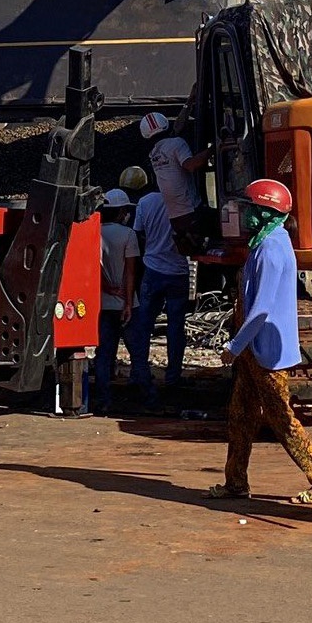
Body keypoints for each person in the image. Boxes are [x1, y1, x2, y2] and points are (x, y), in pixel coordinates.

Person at [210, 179, 312, 505]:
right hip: (255, 350)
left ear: (266, 212)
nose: (245, 214)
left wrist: (233, 347)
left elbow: (262, 309)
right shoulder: (264, 242)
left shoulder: (271, 249)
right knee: (239, 416)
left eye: (251, 208)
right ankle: (236, 482)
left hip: (265, 351)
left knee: (281, 417)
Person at [125, 181, 190, 410]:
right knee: (175, 327)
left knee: (143, 325)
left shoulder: (145, 202)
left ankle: (139, 372)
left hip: (152, 269)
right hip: (178, 272)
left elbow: (138, 235)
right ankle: (173, 376)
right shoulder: (183, 200)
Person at [87, 188, 138, 415]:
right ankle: (147, 399)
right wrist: (127, 302)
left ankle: (103, 400)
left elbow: (91, 270)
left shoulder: (92, 233)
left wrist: (106, 288)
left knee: (103, 354)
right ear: (122, 212)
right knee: (138, 353)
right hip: (124, 304)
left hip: (102, 304)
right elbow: (130, 272)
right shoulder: (128, 235)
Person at [140, 112, 208, 250]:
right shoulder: (177, 143)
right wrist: (214, 149)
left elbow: (176, 129)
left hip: (176, 220)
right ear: (165, 124)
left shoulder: (153, 154)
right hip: (192, 213)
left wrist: (188, 104)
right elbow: (191, 165)